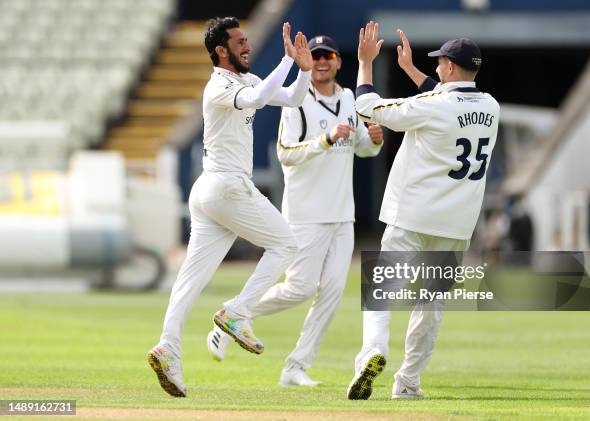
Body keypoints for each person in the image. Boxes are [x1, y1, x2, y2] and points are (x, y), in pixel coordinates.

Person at [147, 17, 313, 398]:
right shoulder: (218, 85)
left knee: (191, 279)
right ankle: (237, 312)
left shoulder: (247, 80)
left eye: (245, 39)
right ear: (221, 50)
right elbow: (256, 101)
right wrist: (288, 60)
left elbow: (292, 98)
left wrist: (302, 71)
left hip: (210, 190)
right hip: (227, 186)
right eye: (239, 42)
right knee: (286, 245)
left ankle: (167, 348)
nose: (247, 46)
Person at [206, 35, 384, 387]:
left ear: (338, 61)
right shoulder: (297, 101)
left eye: (327, 55)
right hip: (305, 213)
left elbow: (361, 148)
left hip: (342, 214)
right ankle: (233, 313)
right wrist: (325, 140)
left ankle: (296, 367)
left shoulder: (349, 98)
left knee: (332, 293)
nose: (320, 61)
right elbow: (287, 153)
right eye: (315, 56)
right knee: (299, 290)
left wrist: (373, 140)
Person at [347, 22, 499, 400]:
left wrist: (366, 63)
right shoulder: (491, 106)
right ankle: (408, 382)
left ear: (448, 67)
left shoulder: (433, 106)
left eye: (439, 64)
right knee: (430, 303)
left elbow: (368, 106)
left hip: (413, 213)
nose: (436, 69)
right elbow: (450, 103)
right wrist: (412, 71)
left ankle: (373, 351)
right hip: (457, 221)